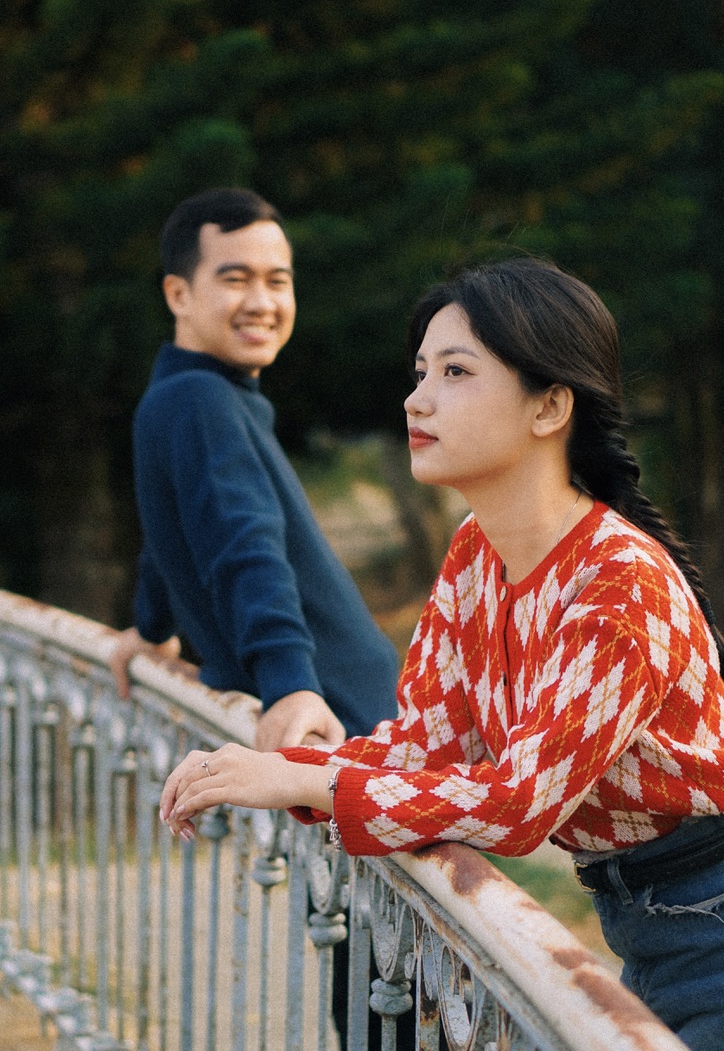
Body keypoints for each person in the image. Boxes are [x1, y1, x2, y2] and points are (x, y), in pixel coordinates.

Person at [160, 256, 724, 1051]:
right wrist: (279, 770)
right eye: (421, 371)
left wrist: (309, 779)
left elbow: (519, 803)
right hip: (649, 920)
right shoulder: (475, 552)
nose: (417, 398)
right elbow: (426, 747)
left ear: (549, 405)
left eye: (456, 372)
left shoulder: (619, 582)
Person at [110, 187, 399, 752]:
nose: (262, 302)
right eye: (236, 280)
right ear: (178, 294)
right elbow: (244, 545)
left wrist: (151, 627)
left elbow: (173, 529)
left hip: (346, 708)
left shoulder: (182, 395)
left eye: (278, 281)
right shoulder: (201, 400)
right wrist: (290, 684)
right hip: (336, 719)